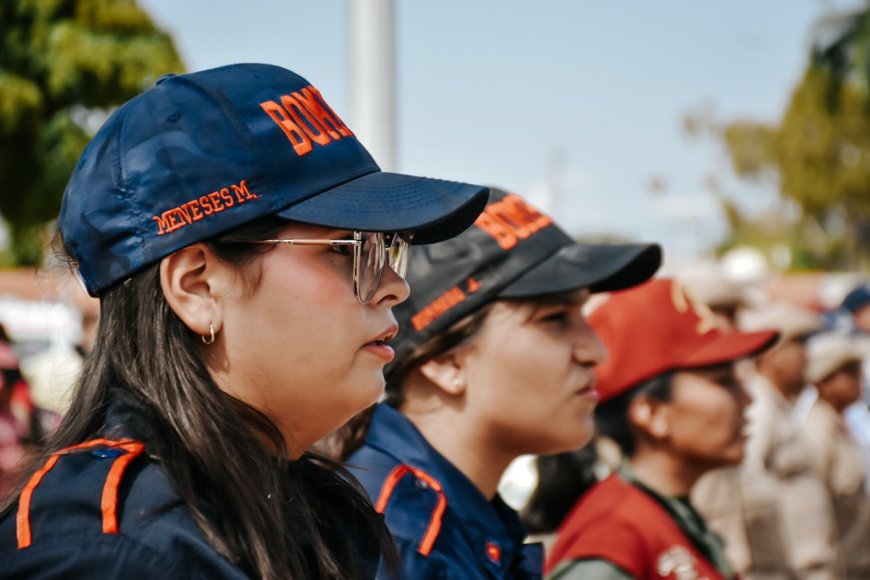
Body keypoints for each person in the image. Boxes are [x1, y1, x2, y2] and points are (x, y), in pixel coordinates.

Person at [0, 63, 489, 579]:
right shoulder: (107, 553)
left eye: (390, 250)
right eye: (351, 252)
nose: (396, 285)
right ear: (199, 288)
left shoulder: (307, 510)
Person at [337, 189, 662, 579]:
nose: (596, 351)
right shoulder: (395, 539)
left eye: (582, 315)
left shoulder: (447, 515)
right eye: (555, 318)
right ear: (446, 361)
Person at [545, 278, 778, 580]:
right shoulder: (614, 537)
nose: (748, 399)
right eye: (723, 382)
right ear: (652, 412)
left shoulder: (664, 514)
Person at [693, 303, 842, 579]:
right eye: (798, 345)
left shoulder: (777, 405)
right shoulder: (758, 408)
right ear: (774, 354)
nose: (806, 357)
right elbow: (747, 498)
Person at [803, 332, 870, 578]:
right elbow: (814, 519)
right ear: (823, 382)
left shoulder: (846, 423)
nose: (860, 379)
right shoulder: (817, 435)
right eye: (851, 372)